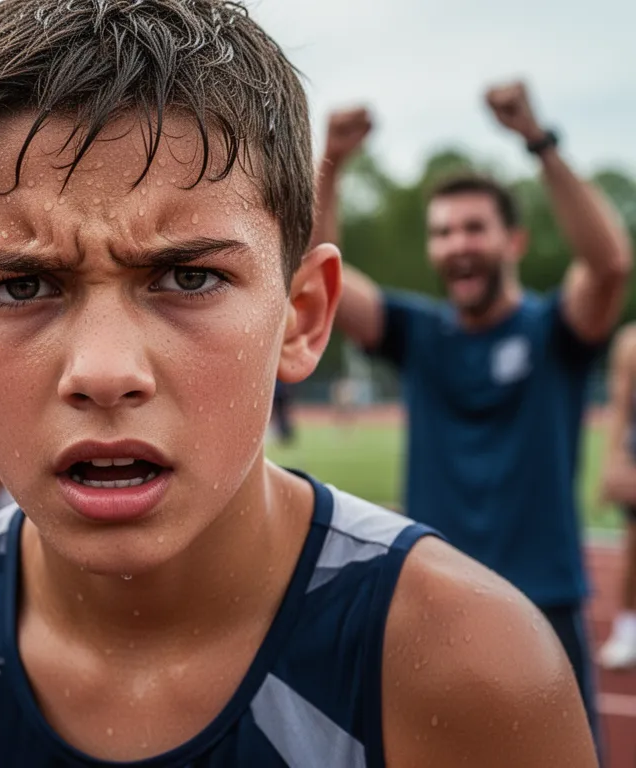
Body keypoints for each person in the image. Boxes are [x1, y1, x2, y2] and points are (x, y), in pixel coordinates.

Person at [0, 2, 598, 766]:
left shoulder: (474, 667)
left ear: (301, 317)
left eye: (188, 275)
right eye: (23, 286)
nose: (105, 373)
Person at [313, 86, 632, 747]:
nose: (458, 244)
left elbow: (608, 263)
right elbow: (318, 279)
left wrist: (539, 142)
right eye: (443, 232)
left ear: (513, 239)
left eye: (473, 228)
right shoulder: (418, 333)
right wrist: (332, 166)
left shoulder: (555, 331)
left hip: (543, 594)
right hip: (434, 595)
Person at [598, 323, 636, 669]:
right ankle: (627, 632)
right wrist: (614, 463)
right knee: (633, 548)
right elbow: (621, 406)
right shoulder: (630, 342)